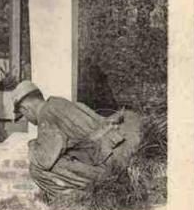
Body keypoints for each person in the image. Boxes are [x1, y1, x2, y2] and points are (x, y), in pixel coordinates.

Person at [11, 81, 141, 201]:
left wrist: (32, 144)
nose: (27, 119)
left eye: (23, 115)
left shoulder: (45, 116)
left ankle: (77, 197)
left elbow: (44, 161)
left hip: (108, 166)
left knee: (36, 169)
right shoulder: (57, 102)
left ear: (25, 109)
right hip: (116, 152)